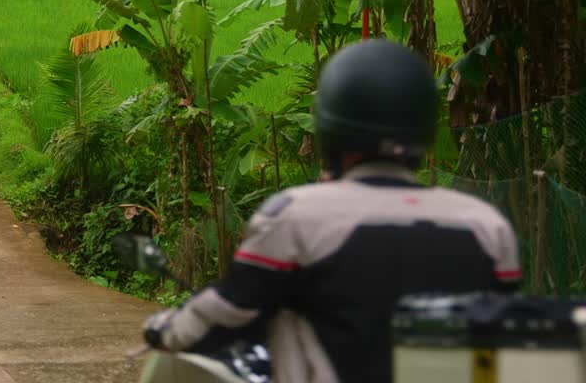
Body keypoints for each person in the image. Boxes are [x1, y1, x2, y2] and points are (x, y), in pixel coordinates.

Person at [143, 39, 521, 383]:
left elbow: (227, 309)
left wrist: (163, 329)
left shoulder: (296, 215)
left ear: (331, 128)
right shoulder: (486, 225)